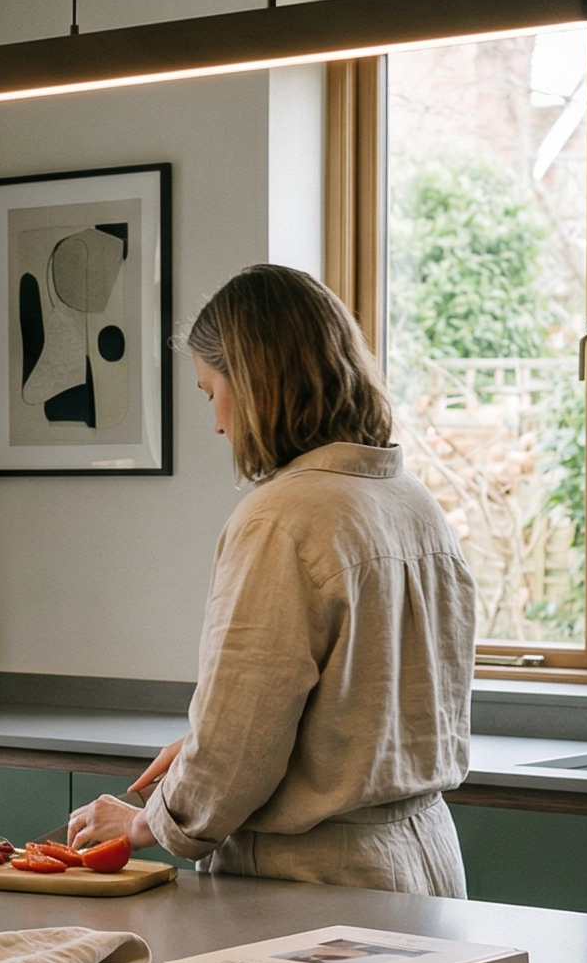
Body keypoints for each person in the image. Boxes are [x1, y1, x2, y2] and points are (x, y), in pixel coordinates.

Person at [64, 264, 476, 895]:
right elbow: (354, 714)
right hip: (429, 865)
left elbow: (235, 754)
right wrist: (208, 747)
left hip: (314, 884)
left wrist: (152, 819)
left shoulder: (281, 519)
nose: (217, 424)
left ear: (256, 384)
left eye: (210, 393)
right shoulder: (415, 504)